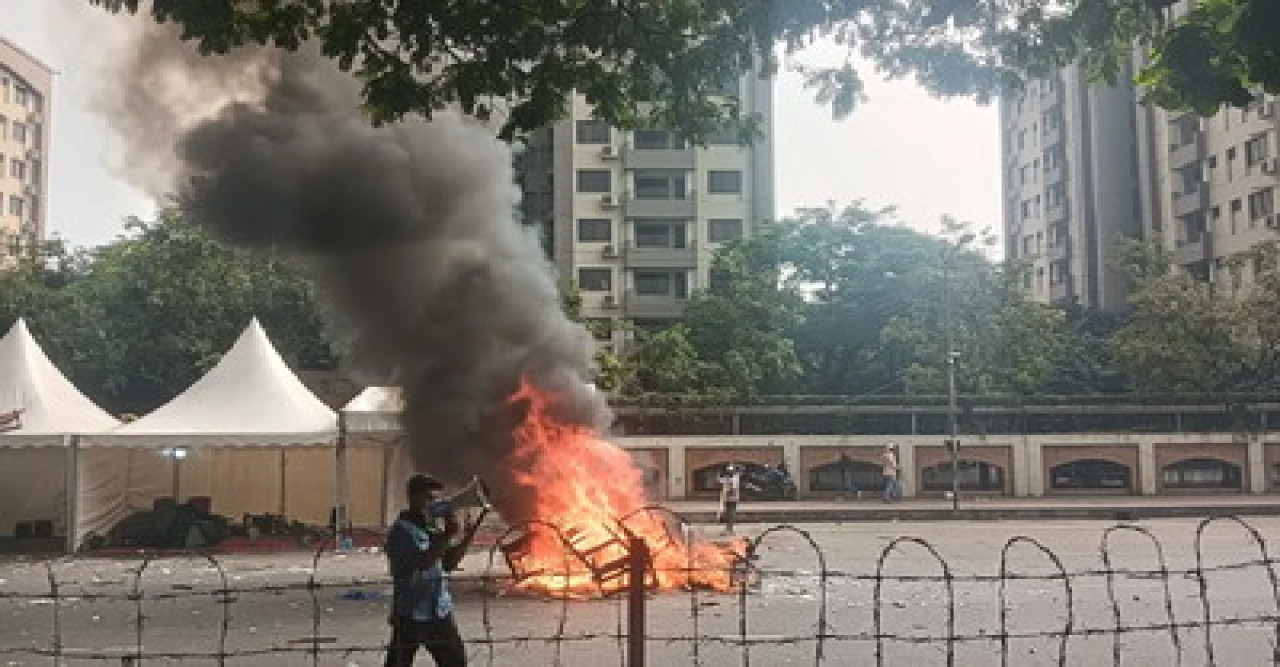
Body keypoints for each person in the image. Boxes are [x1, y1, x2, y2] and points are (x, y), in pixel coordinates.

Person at [384, 474, 480, 667]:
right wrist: (446, 536)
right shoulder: (401, 531)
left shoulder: (431, 527)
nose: (433, 503)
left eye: (436, 499)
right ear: (412, 497)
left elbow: (448, 563)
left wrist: (467, 536)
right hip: (412, 612)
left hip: (439, 609)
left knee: (455, 662)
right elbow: (424, 562)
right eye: (428, 498)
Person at [717, 463, 742, 534]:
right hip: (729, 499)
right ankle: (729, 529)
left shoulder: (734, 479)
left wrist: (726, 493)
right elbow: (720, 481)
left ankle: (730, 529)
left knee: (730, 514)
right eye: (728, 471)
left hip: (731, 499)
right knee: (728, 513)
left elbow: (733, 489)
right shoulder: (729, 478)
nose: (728, 473)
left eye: (730, 471)